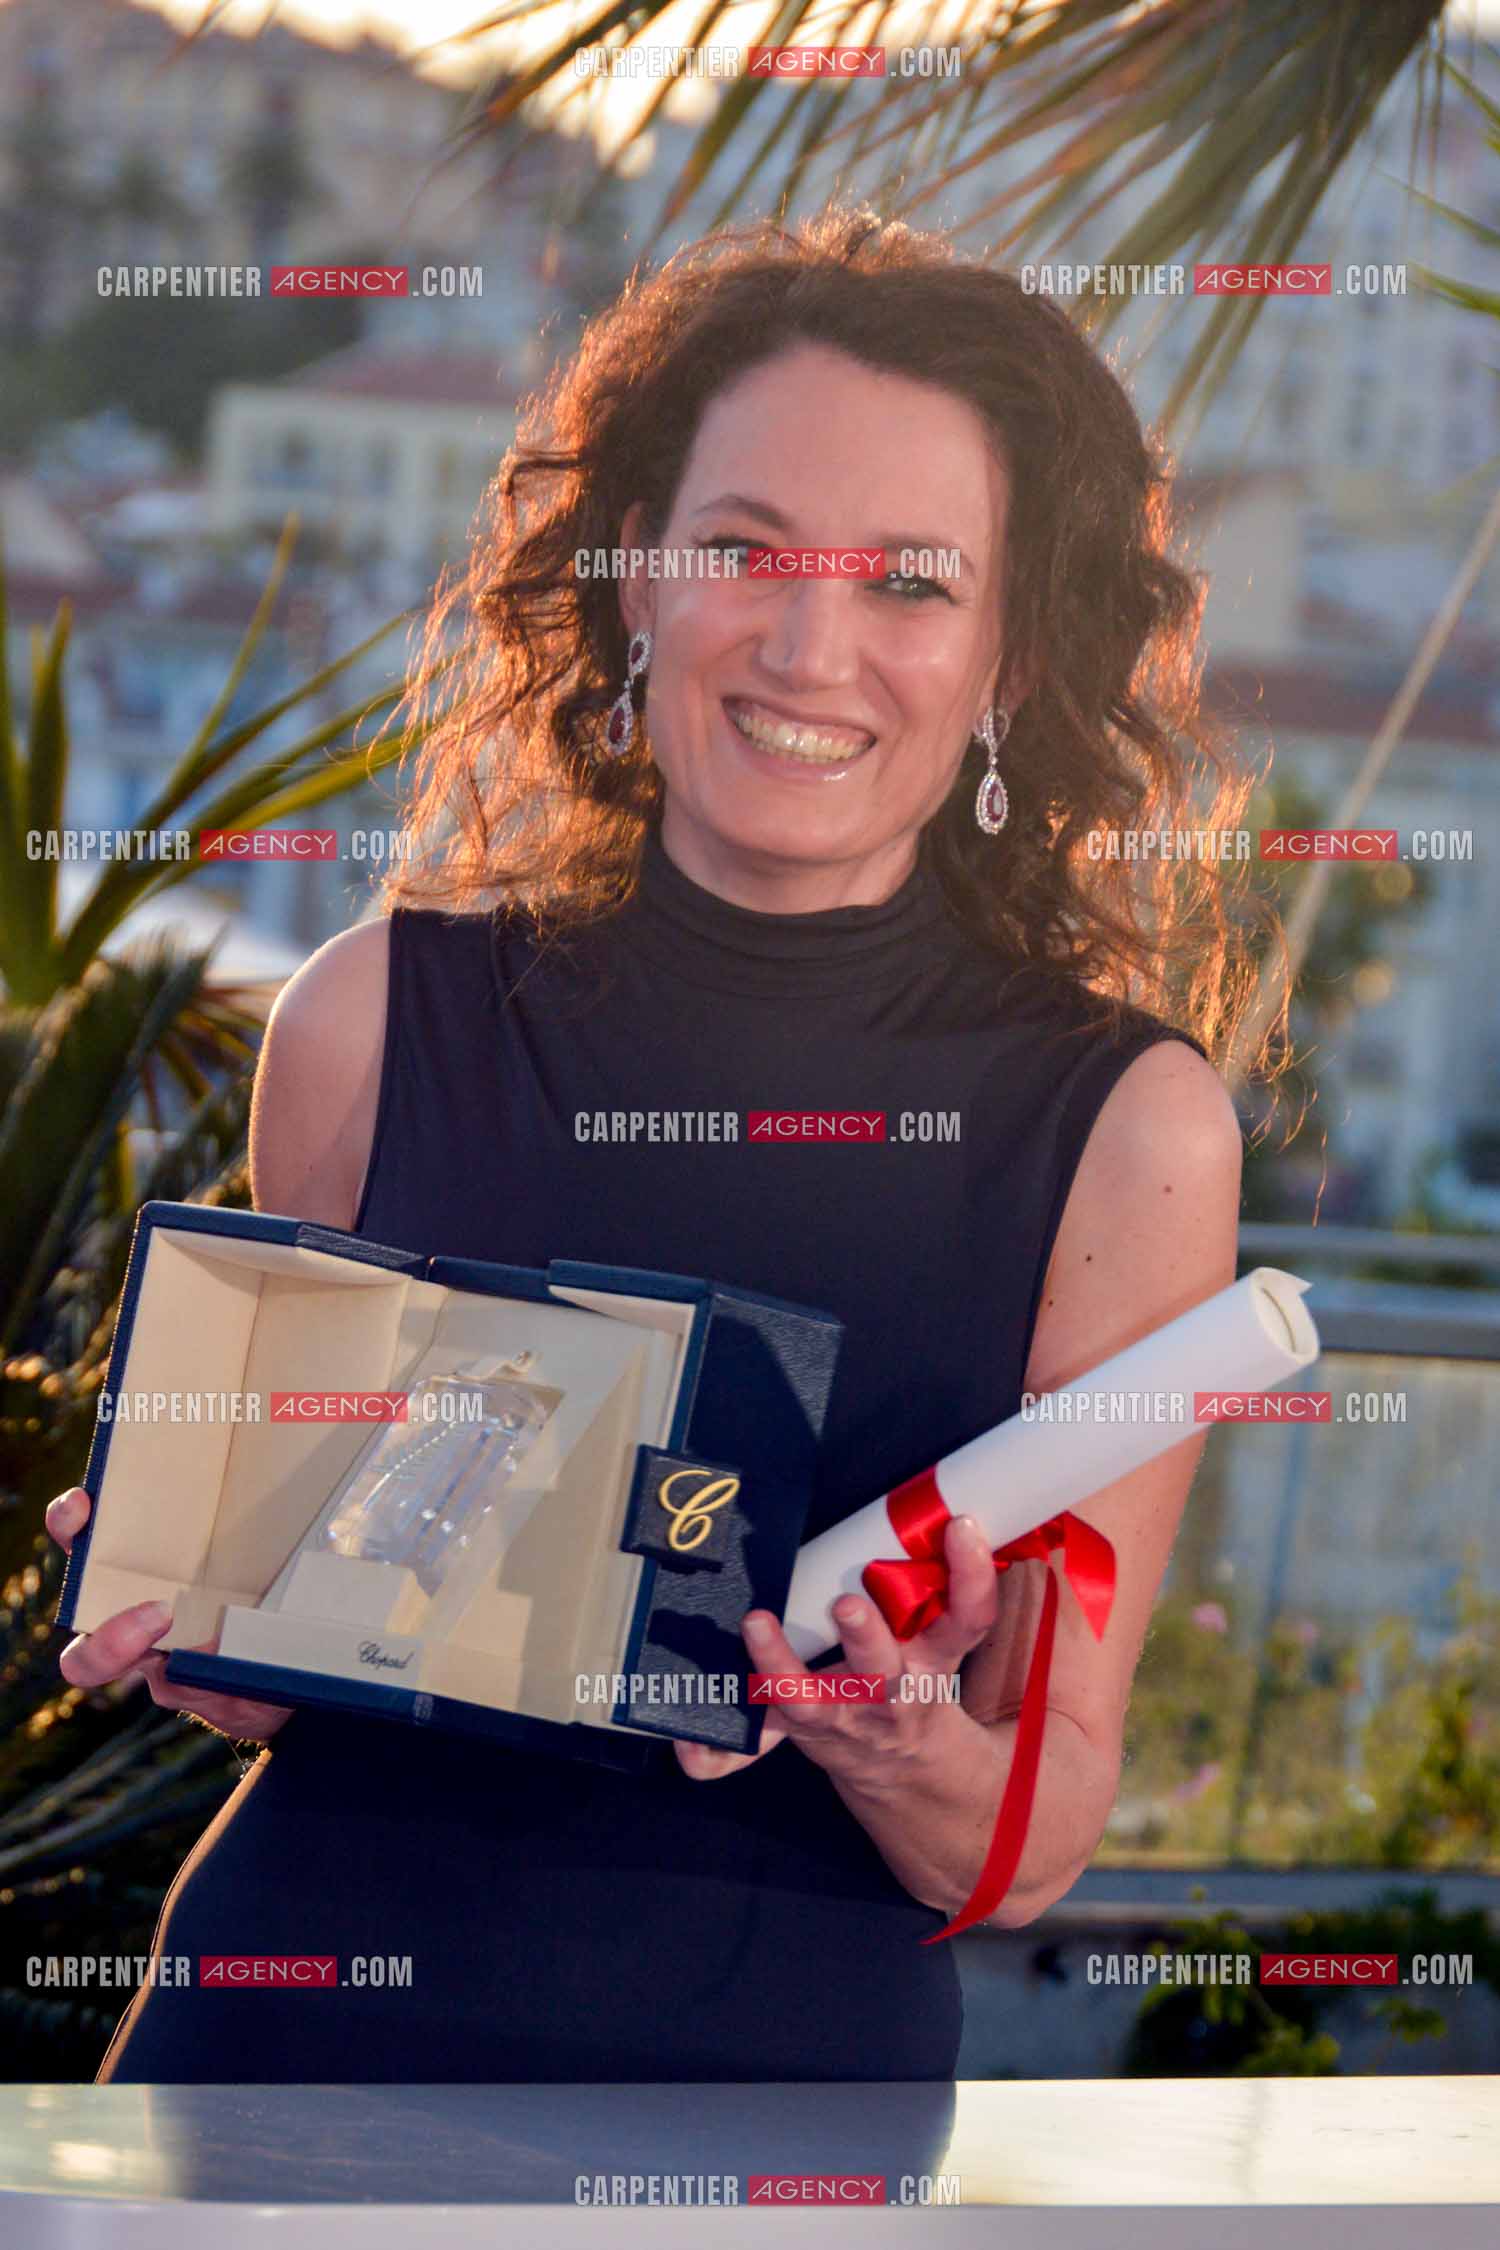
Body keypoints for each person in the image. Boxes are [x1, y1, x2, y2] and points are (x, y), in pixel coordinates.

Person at [47, 204, 1282, 2083]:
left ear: (1014, 657)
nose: (811, 643)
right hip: (275, 2074)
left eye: (913, 584)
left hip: (769, 2107)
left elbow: (1030, 1834)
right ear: (638, 579)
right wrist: (213, 1627)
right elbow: (304, 1661)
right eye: (744, 549)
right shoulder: (373, 1017)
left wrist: (885, 1732)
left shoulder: (1129, 1133)